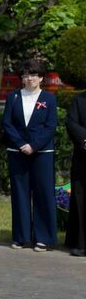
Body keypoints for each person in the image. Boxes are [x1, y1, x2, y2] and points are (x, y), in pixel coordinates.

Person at [2, 58, 58, 251]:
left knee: (43, 194)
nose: (29, 78)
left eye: (33, 75)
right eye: (25, 75)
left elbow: (51, 126)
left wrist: (33, 146)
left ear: (41, 77)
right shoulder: (14, 97)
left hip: (42, 152)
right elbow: (7, 123)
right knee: (20, 194)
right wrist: (21, 144)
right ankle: (21, 236)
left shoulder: (49, 98)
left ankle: (44, 237)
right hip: (17, 152)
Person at [66, 88, 86, 257]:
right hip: (83, 156)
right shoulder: (78, 99)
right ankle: (81, 242)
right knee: (81, 198)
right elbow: (71, 122)